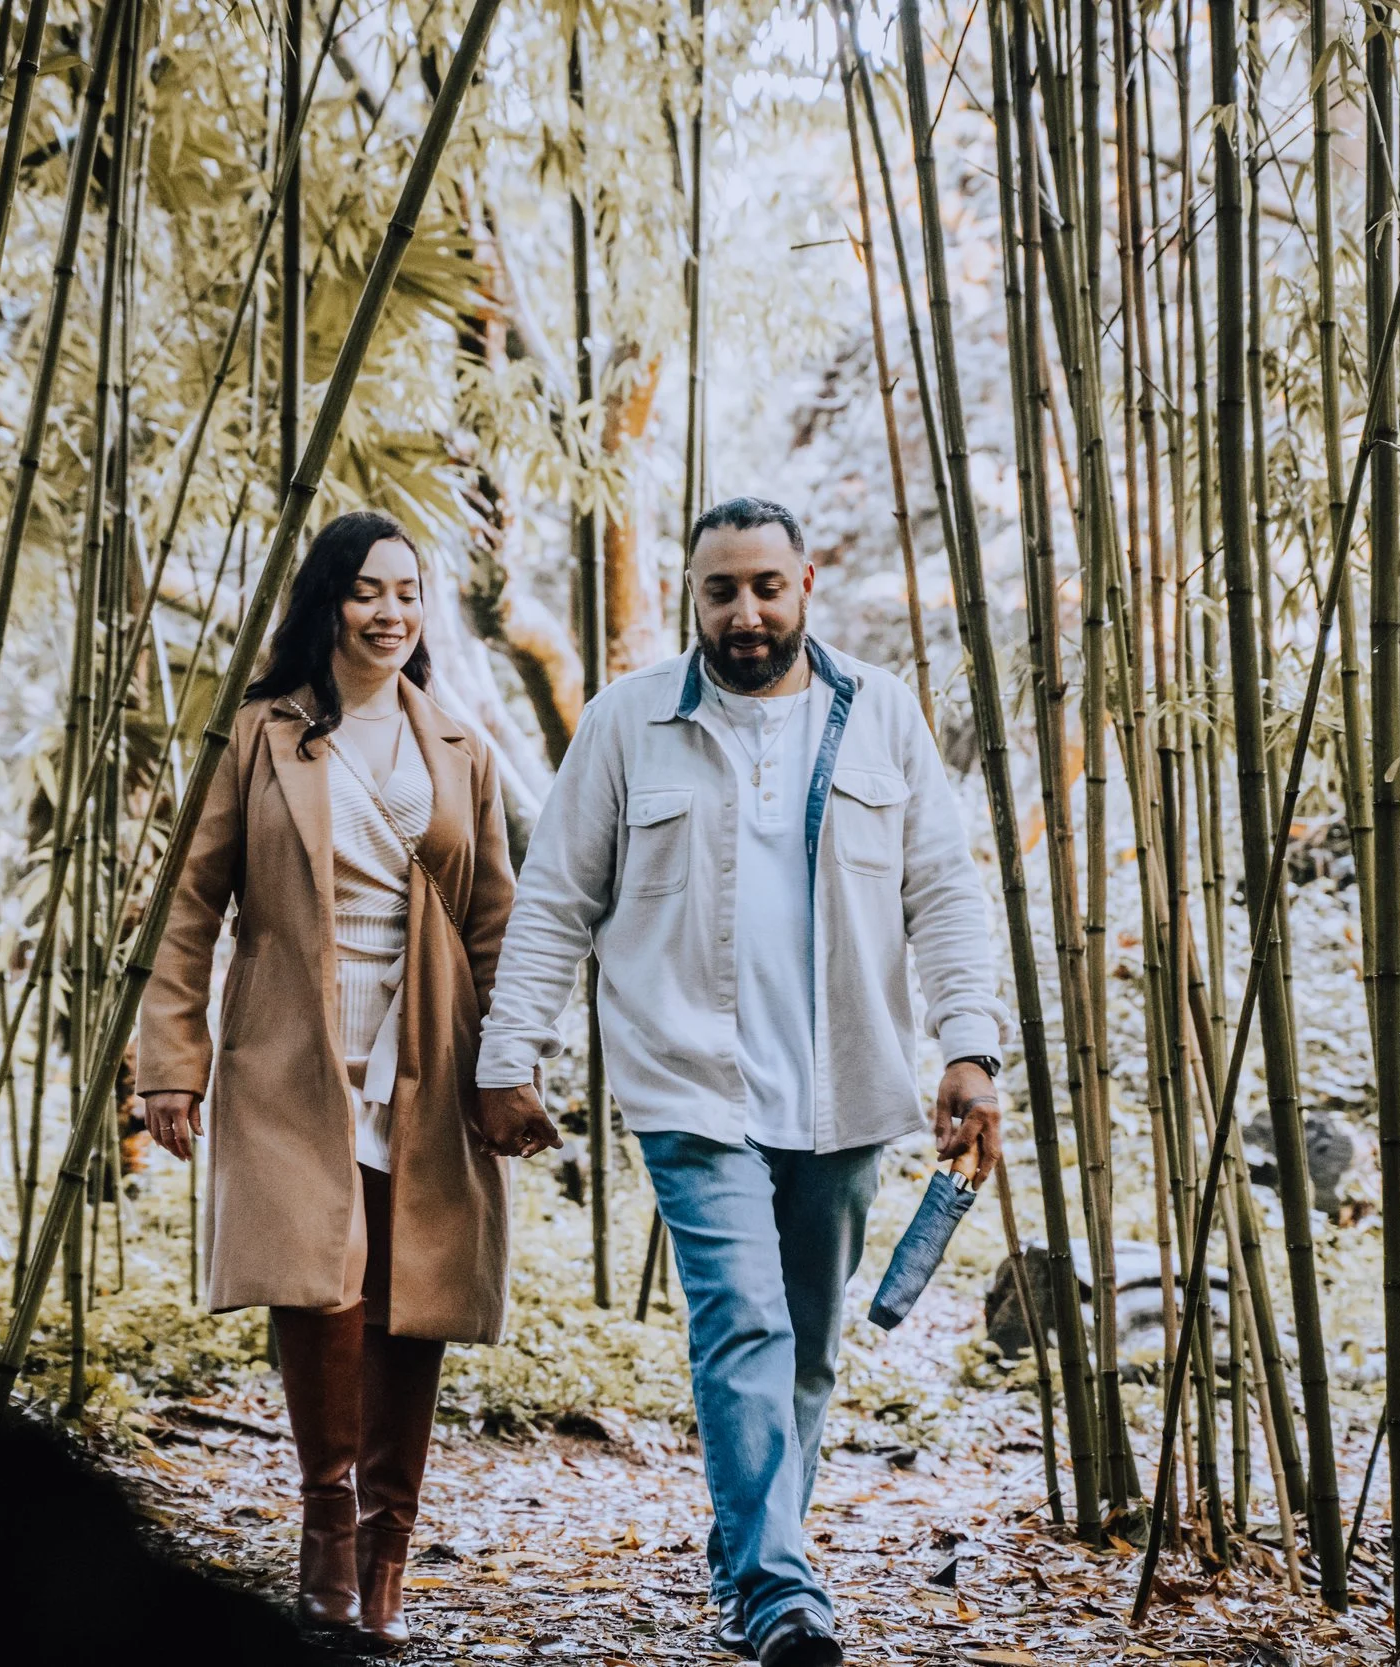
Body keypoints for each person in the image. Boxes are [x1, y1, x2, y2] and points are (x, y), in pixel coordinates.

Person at [475, 498, 1006, 1667]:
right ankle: (778, 1592)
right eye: (722, 590)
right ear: (691, 595)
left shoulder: (882, 717)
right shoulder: (626, 722)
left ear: (807, 582)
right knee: (744, 1326)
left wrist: (968, 1044)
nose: (746, 611)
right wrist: (508, 1057)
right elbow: (556, 900)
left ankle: (751, 1548)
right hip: (689, 1084)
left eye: (767, 584)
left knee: (807, 1346)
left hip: (844, 1087)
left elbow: (945, 893)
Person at [138, 510, 560, 1652]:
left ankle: (386, 1562)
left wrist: (509, 1065)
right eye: (368, 589)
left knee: (409, 1290)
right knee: (322, 1282)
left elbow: (496, 923)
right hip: (293, 1047)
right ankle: (327, 1543)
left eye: (409, 592)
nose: (391, 611)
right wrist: (167, 1065)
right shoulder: (262, 734)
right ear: (328, 601)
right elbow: (190, 905)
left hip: (428, 1042)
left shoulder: (459, 748)